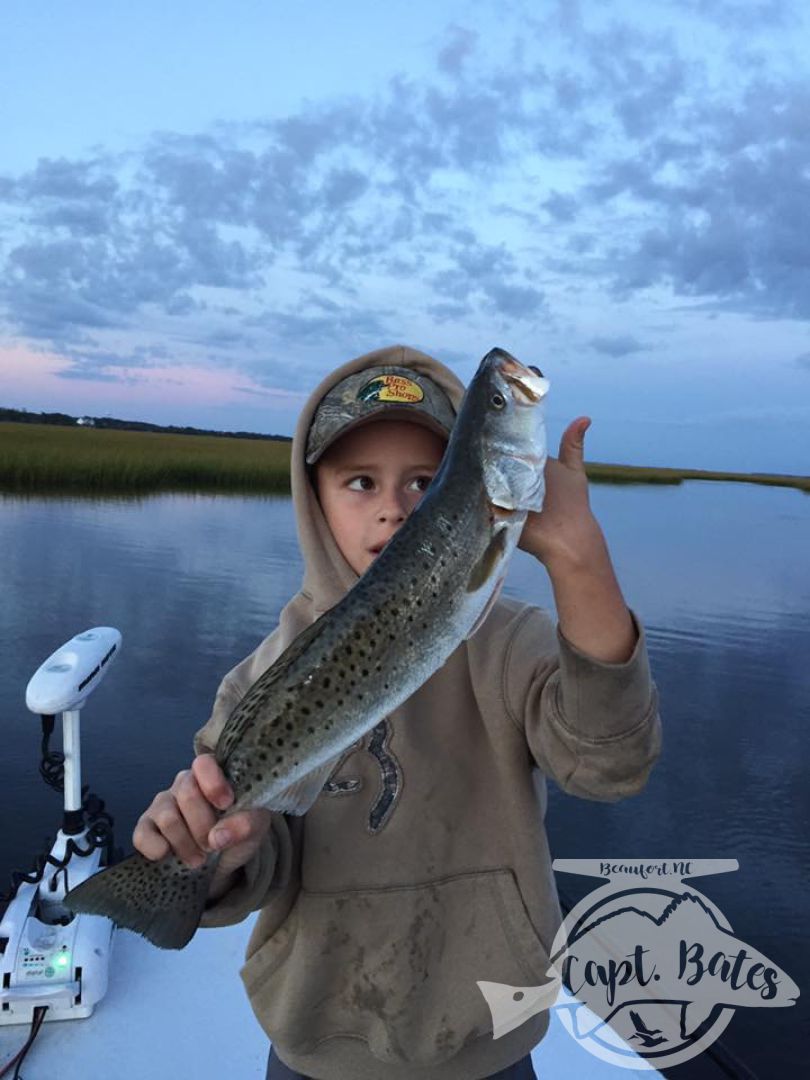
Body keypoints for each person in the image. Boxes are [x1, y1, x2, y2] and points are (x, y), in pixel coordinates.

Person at [133, 344, 662, 1080]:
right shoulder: (259, 679)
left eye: (425, 479)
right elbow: (257, 864)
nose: (394, 506)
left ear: (462, 483)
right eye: (359, 481)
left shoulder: (510, 643)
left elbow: (611, 765)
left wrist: (578, 557)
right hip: (317, 1045)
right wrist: (214, 852)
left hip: (490, 1044)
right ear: (311, 498)